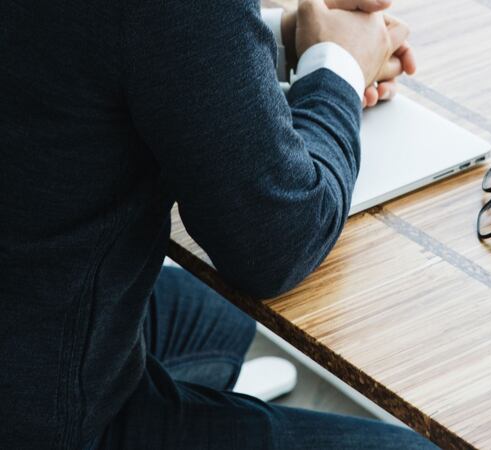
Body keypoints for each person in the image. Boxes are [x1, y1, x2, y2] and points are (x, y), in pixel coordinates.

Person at [0, 0, 437, 447]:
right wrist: (338, 74)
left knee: (215, 318)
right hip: (49, 421)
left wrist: (284, 41)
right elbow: (275, 242)